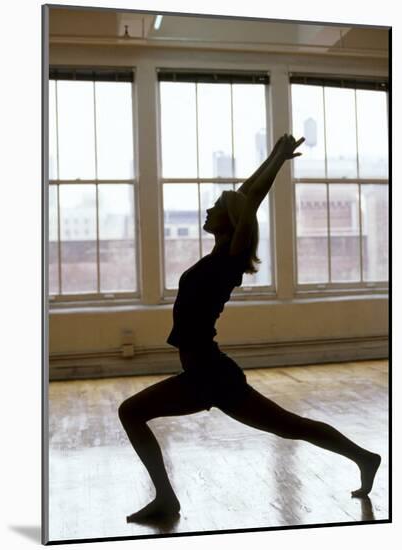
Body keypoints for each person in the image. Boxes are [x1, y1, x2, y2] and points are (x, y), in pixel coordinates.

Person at [118, 134, 381, 523]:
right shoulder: (219, 255)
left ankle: (166, 499)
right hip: (208, 372)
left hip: (208, 374)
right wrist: (275, 156)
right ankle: (364, 457)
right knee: (290, 426)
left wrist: (276, 164)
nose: (208, 209)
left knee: (131, 411)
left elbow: (248, 202)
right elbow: (245, 196)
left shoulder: (229, 259)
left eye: (216, 208)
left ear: (230, 223)